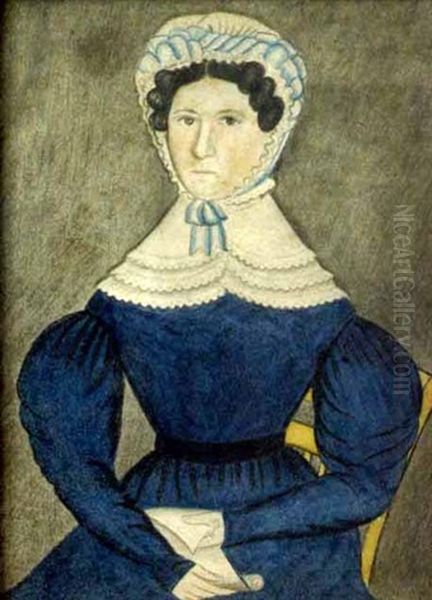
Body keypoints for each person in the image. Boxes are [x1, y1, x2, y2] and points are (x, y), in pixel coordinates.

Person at [8, 12, 422, 600]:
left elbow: (364, 483)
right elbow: (75, 466)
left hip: (282, 525)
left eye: (229, 120)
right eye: (186, 120)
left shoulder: (314, 298)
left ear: (269, 135)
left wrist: (226, 528)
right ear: (163, 129)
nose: (201, 146)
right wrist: (158, 554)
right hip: (152, 519)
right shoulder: (125, 295)